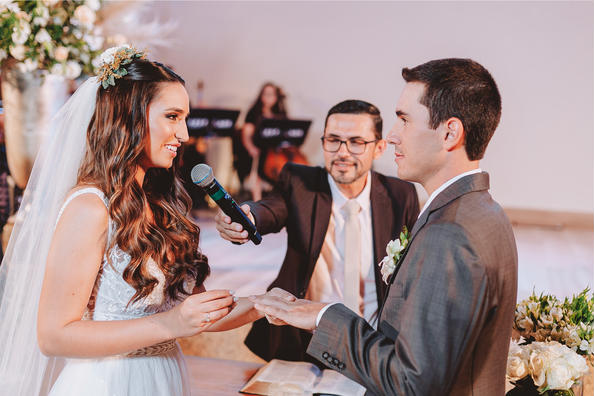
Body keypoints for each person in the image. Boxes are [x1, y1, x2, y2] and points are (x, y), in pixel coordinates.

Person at [0, 45, 272, 395]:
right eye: (172, 116)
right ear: (128, 117)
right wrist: (170, 324)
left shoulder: (162, 202)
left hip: (164, 377)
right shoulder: (90, 207)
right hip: (109, 382)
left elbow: (193, 313)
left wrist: (265, 304)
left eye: (184, 119)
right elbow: (54, 336)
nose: (185, 135)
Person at [251, 58, 517, 395]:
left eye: (404, 119)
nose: (391, 136)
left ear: (450, 133)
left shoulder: (449, 234)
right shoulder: (485, 211)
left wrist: (325, 317)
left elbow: (412, 383)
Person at [215, 99, 421, 366]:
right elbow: (269, 209)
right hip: (306, 342)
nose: (342, 152)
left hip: (375, 343)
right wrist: (247, 217)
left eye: (356, 142)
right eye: (333, 140)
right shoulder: (300, 182)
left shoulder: (400, 194)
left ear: (379, 148)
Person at [236, 83, 288, 201]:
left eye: (272, 94)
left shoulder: (279, 112)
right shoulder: (254, 112)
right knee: (259, 168)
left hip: (273, 152)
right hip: (257, 150)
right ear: (261, 96)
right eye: (266, 94)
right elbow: (246, 135)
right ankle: (257, 201)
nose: (269, 97)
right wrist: (251, 148)